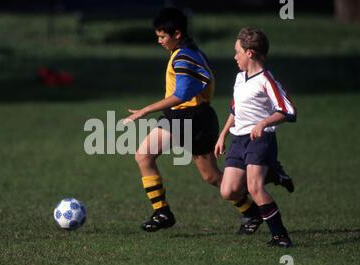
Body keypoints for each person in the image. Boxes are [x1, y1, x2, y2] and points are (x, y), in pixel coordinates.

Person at [124, 7, 292, 234]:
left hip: (189, 117)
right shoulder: (189, 51)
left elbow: (182, 94)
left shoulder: (184, 56)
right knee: (212, 176)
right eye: (158, 37)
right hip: (193, 117)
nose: (160, 41)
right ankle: (252, 210)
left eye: (163, 36)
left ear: (177, 34)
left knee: (143, 155)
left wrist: (145, 110)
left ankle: (163, 212)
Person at [214, 27, 297, 248]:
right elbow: (235, 110)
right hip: (238, 139)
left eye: (237, 52)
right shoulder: (240, 78)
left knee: (254, 188)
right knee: (228, 190)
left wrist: (263, 123)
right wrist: (222, 135)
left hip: (261, 139)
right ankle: (274, 172)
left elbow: (288, 111)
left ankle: (281, 237)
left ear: (249, 53)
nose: (235, 57)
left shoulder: (266, 80)